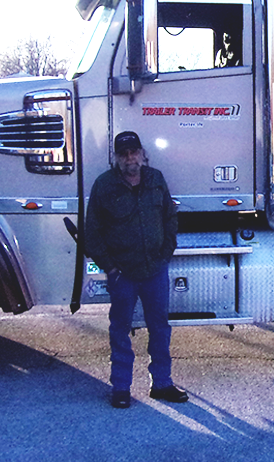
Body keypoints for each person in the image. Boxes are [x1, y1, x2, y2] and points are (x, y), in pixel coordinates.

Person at [85, 130, 188, 408]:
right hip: (123, 274)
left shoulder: (156, 179)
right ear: (117, 158)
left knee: (160, 328)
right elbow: (92, 233)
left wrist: (166, 253)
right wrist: (111, 268)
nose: (130, 158)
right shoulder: (104, 185)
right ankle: (121, 388)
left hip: (155, 270)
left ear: (142, 154)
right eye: (124, 154)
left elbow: (170, 217)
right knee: (120, 329)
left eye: (134, 152)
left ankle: (162, 384)